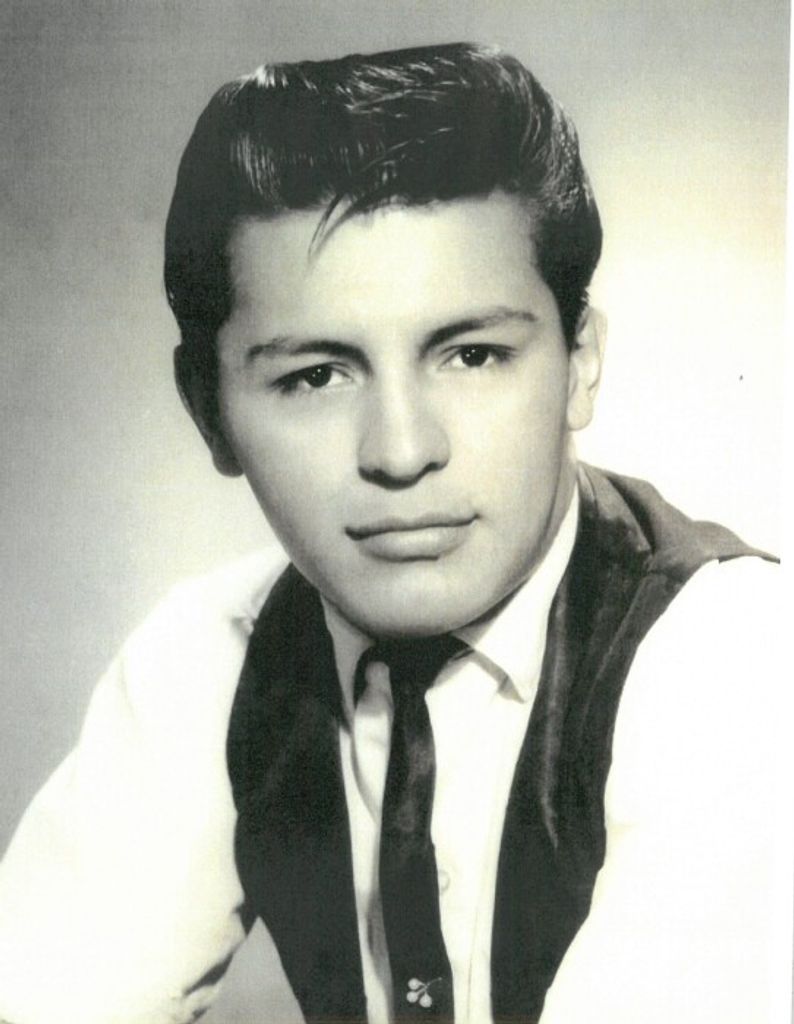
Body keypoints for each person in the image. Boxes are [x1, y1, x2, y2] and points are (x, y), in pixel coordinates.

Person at [0, 42, 785, 1024]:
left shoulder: (735, 658)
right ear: (209, 412)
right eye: (315, 376)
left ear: (579, 363)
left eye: (472, 355)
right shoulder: (210, 659)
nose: (403, 451)